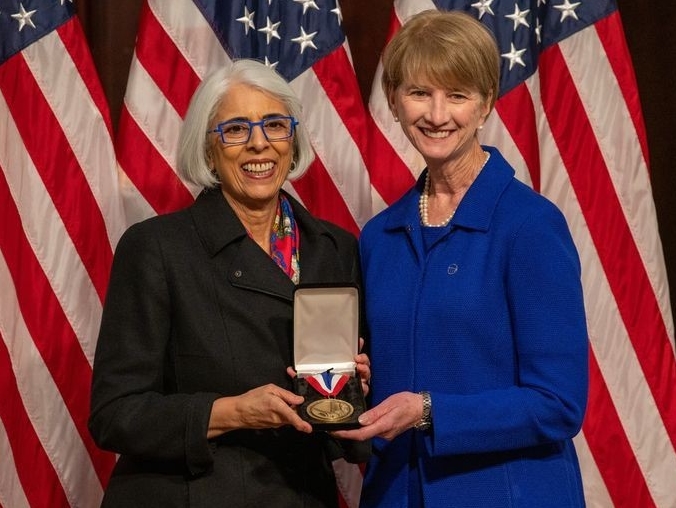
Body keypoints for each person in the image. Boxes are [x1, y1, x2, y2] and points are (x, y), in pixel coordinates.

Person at [333, 10, 589, 508]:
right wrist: (358, 383)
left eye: (456, 94)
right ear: (394, 100)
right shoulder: (378, 237)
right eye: (418, 93)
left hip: (506, 493)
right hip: (395, 494)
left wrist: (429, 411)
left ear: (486, 102)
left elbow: (557, 404)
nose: (436, 113)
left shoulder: (530, 226)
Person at [89, 59, 370, 508]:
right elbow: (114, 414)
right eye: (236, 129)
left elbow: (349, 433)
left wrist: (352, 396)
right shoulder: (156, 248)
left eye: (275, 125)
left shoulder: (335, 249)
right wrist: (232, 412)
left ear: (292, 140)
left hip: (299, 495)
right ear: (209, 148)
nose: (259, 144)